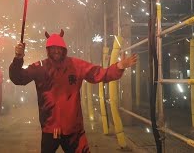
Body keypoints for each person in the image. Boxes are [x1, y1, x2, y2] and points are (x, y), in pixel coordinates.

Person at [9, 29, 137, 153]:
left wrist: (119, 66)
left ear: (64, 49)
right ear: (48, 50)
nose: (56, 51)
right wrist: (18, 58)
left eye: (59, 48)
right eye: (53, 48)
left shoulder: (76, 65)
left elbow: (99, 74)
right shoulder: (40, 67)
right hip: (49, 128)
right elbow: (18, 78)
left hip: (73, 129)